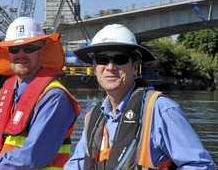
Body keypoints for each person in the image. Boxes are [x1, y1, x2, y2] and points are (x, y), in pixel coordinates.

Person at [65, 24, 217, 169]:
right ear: (94, 67)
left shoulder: (161, 110)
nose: (110, 67)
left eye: (120, 59)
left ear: (134, 65)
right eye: (102, 60)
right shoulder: (93, 117)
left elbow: (202, 166)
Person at [0, 17, 81, 170]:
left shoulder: (54, 97)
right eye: (14, 49)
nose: (21, 54)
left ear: (41, 50)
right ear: (8, 52)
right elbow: (11, 138)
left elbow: (33, 157)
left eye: (29, 48)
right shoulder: (10, 90)